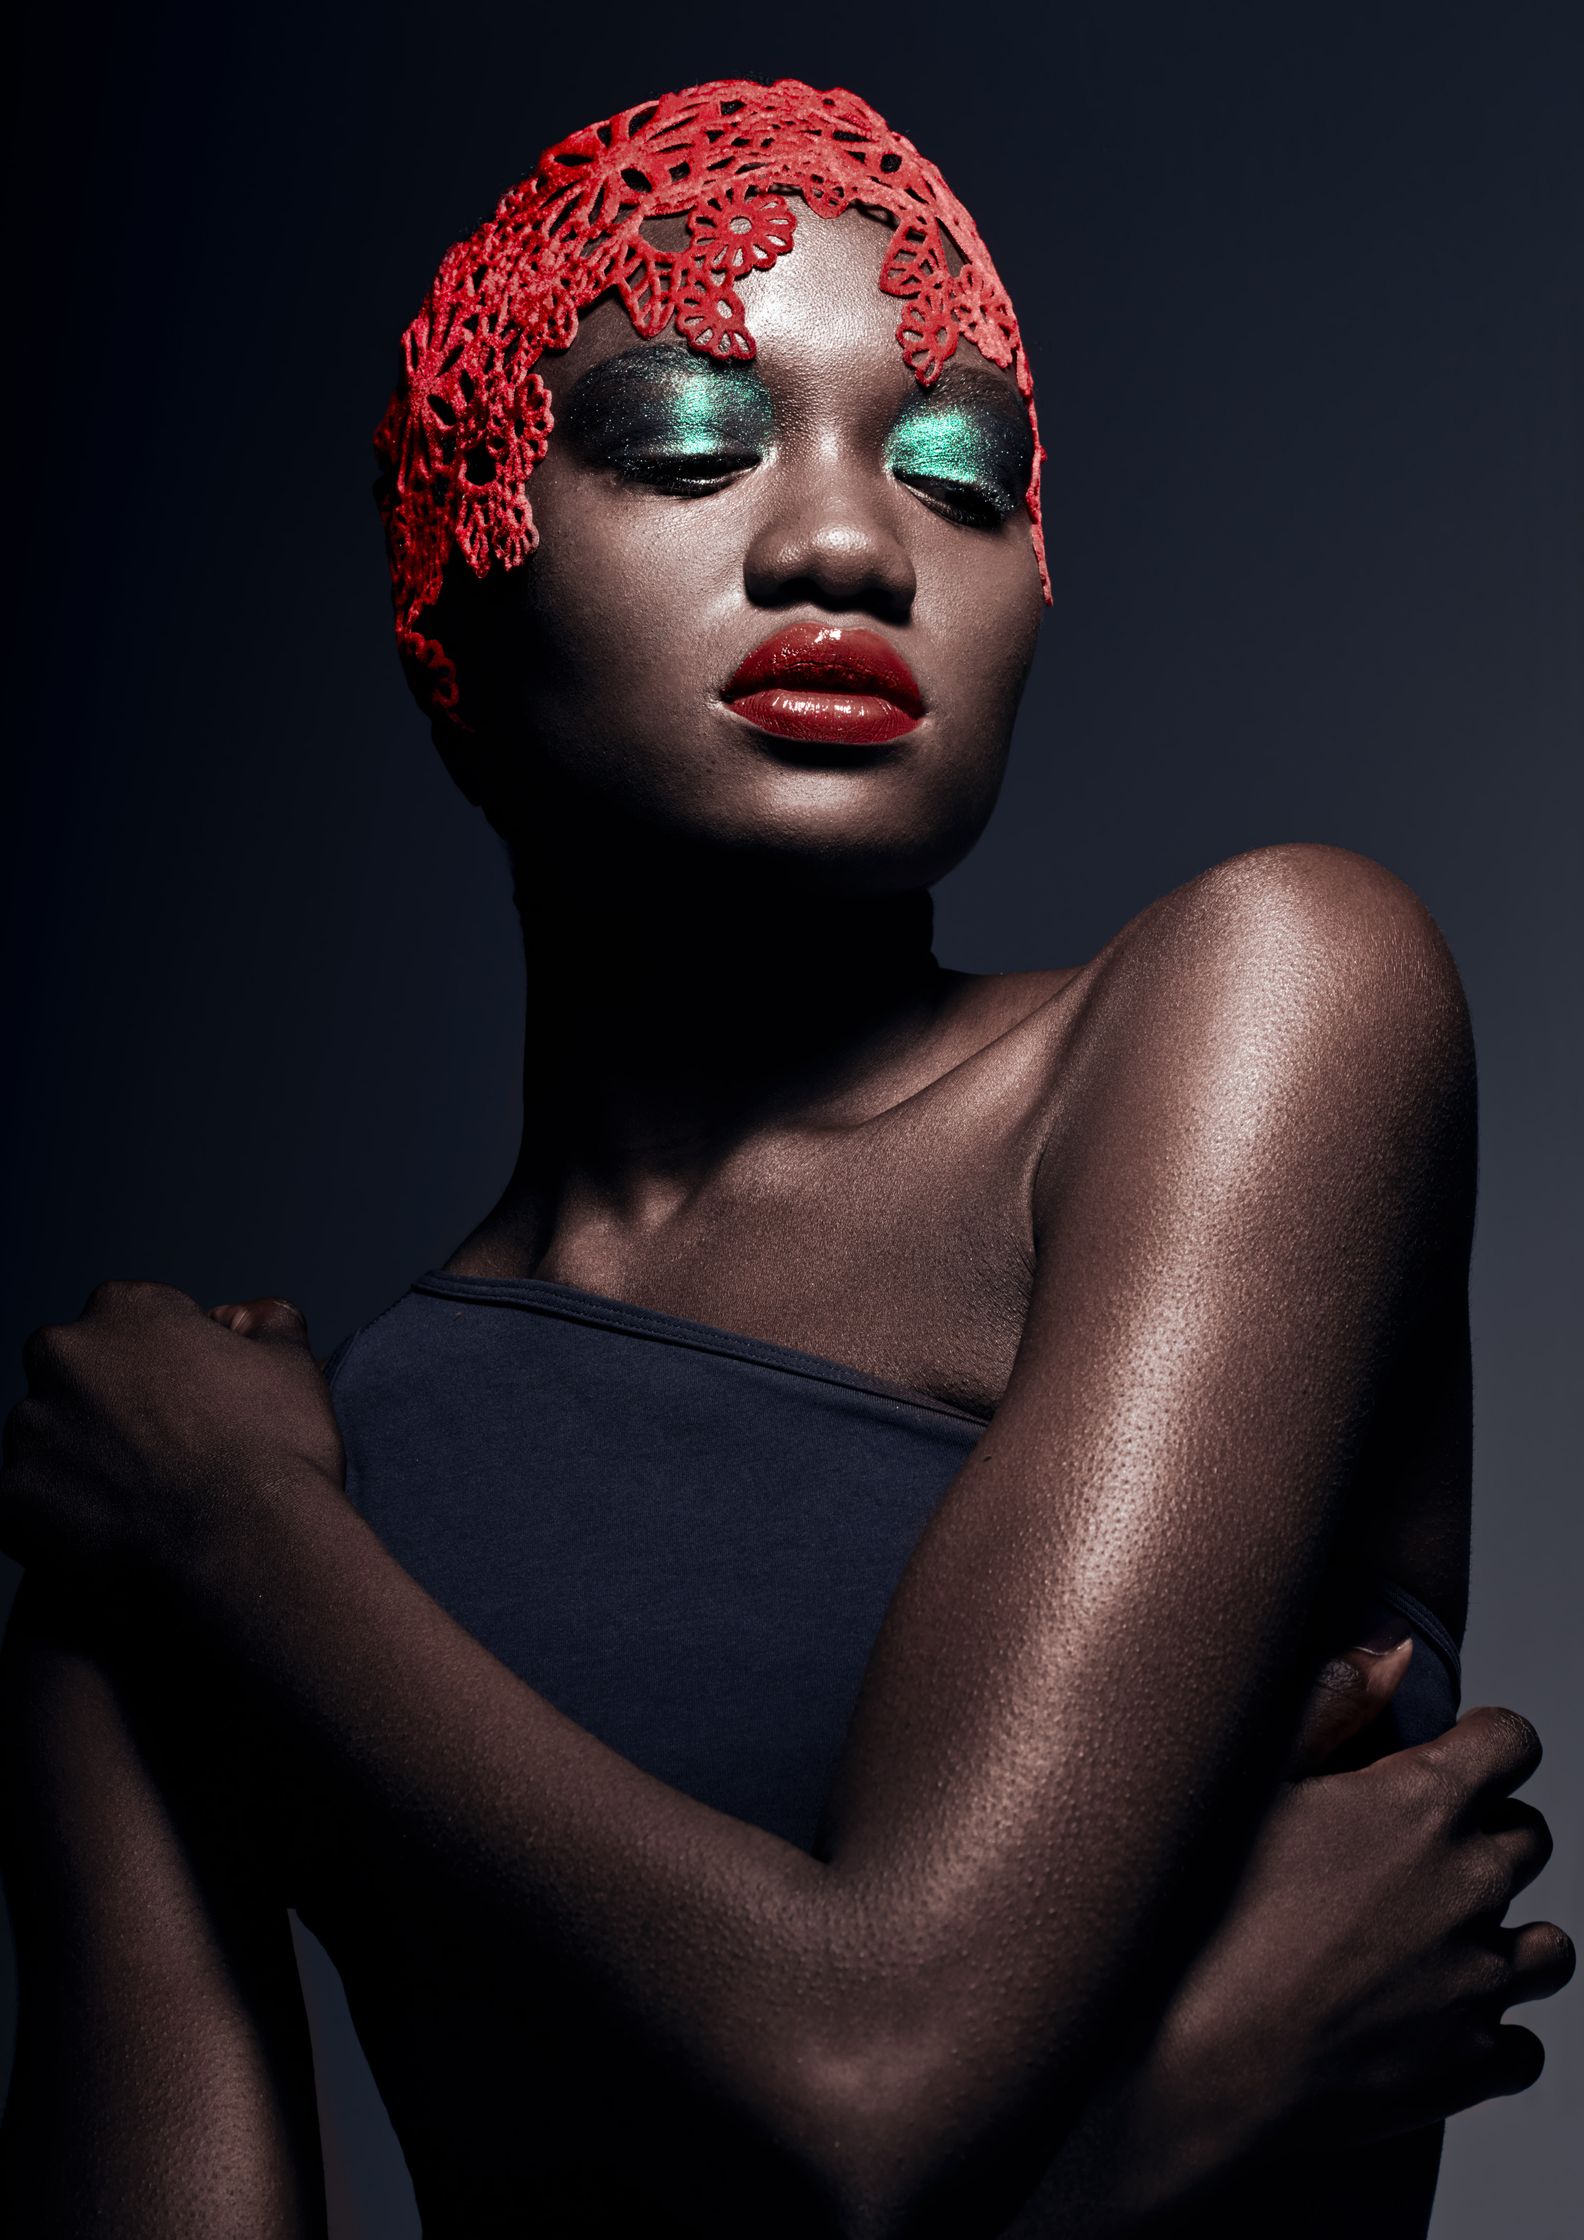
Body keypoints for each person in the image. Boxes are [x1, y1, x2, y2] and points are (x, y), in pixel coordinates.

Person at [0, 76, 1572, 2240]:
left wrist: (245, 1558)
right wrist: (1153, 2127)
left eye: (952, 474)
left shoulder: (1251, 1010)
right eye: (682, 441)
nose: (846, 543)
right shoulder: (284, 1455)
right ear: (461, 576)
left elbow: (868, 2074)